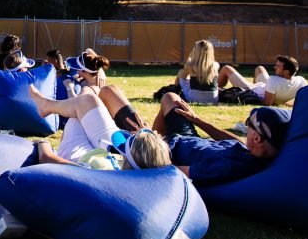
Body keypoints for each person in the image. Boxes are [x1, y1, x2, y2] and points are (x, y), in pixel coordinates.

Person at [153, 94, 291, 186]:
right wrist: (197, 120)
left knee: (138, 116)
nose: (247, 127)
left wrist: (151, 140)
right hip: (190, 139)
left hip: (169, 149)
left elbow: (174, 171)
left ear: (257, 138)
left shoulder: (227, 166)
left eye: (249, 123)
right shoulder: (256, 152)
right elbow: (239, 142)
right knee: (170, 97)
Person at [29, 85, 171, 171]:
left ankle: (50, 104)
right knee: (88, 99)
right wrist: (147, 139)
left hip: (80, 157)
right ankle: (79, 92)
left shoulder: (98, 176)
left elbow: (47, 159)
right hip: (108, 156)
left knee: (78, 111)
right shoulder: (154, 170)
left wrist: (42, 143)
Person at [218, 55, 305, 106]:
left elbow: (267, 103)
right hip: (265, 87)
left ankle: (214, 90)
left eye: (278, 66)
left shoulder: (273, 80)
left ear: (286, 72)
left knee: (226, 68)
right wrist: (283, 102)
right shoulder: (301, 81)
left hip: (251, 90)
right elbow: (301, 102)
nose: (274, 67)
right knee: (260, 68)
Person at [175, 40, 220, 105]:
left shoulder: (190, 65)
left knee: (181, 72)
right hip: (213, 99)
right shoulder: (215, 65)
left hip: (193, 98)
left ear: (196, 51)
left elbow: (183, 77)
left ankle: (175, 89)